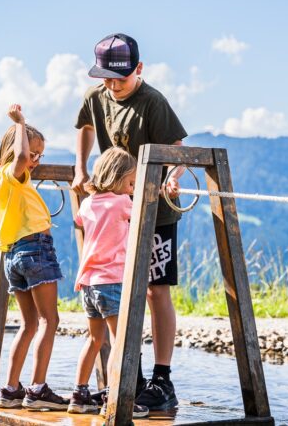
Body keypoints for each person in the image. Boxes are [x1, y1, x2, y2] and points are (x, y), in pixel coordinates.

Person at [71, 33, 187, 411]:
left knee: (155, 291)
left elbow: (180, 151)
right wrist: (80, 168)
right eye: (105, 78)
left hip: (157, 214)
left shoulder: (152, 102)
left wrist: (173, 175)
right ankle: (128, 379)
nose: (112, 85)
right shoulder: (96, 97)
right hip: (117, 212)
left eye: (119, 78)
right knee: (118, 292)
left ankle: (162, 379)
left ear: (138, 69)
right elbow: (85, 127)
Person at [0, 104, 69, 411]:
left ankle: (11, 390)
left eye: (40, 155)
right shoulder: (14, 173)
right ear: (14, 150)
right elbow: (20, 159)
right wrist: (21, 122)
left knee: (29, 324)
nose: (34, 161)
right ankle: (37, 390)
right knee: (51, 320)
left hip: (12, 255)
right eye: (32, 153)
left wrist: (16, 218)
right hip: (35, 249)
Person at [67, 148, 148, 418]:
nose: (132, 187)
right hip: (111, 281)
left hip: (88, 283)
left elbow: (79, 220)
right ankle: (114, 398)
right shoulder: (122, 202)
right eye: (131, 182)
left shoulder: (89, 203)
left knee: (94, 339)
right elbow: (143, 207)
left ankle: (79, 395)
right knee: (119, 341)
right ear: (118, 178)